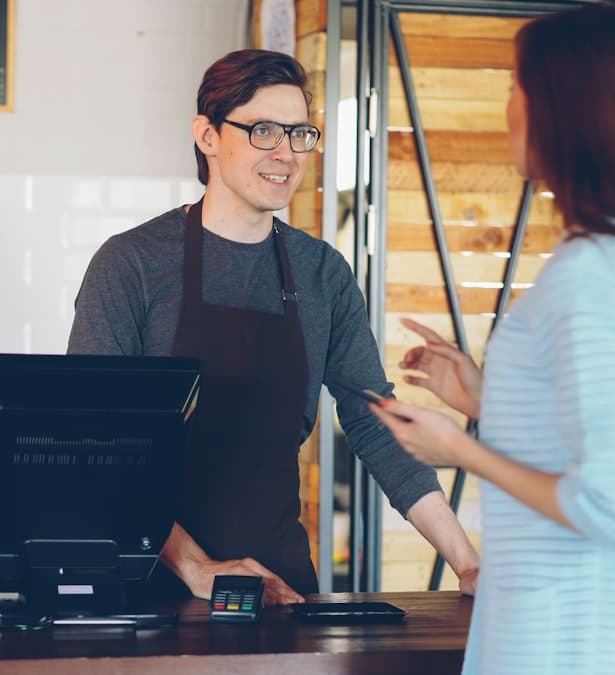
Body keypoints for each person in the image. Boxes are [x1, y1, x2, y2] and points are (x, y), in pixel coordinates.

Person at [67, 49, 480, 605]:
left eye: (300, 134)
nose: (286, 154)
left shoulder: (322, 273)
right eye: (263, 131)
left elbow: (376, 424)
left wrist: (467, 561)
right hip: (147, 591)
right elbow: (96, 443)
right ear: (207, 136)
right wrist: (197, 568)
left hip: (278, 588)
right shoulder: (132, 264)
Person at [369, 5, 615, 673]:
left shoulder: (594, 276)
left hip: (576, 640)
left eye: (515, 85)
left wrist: (458, 447)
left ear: (561, 108)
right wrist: (492, 402)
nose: (507, 107)